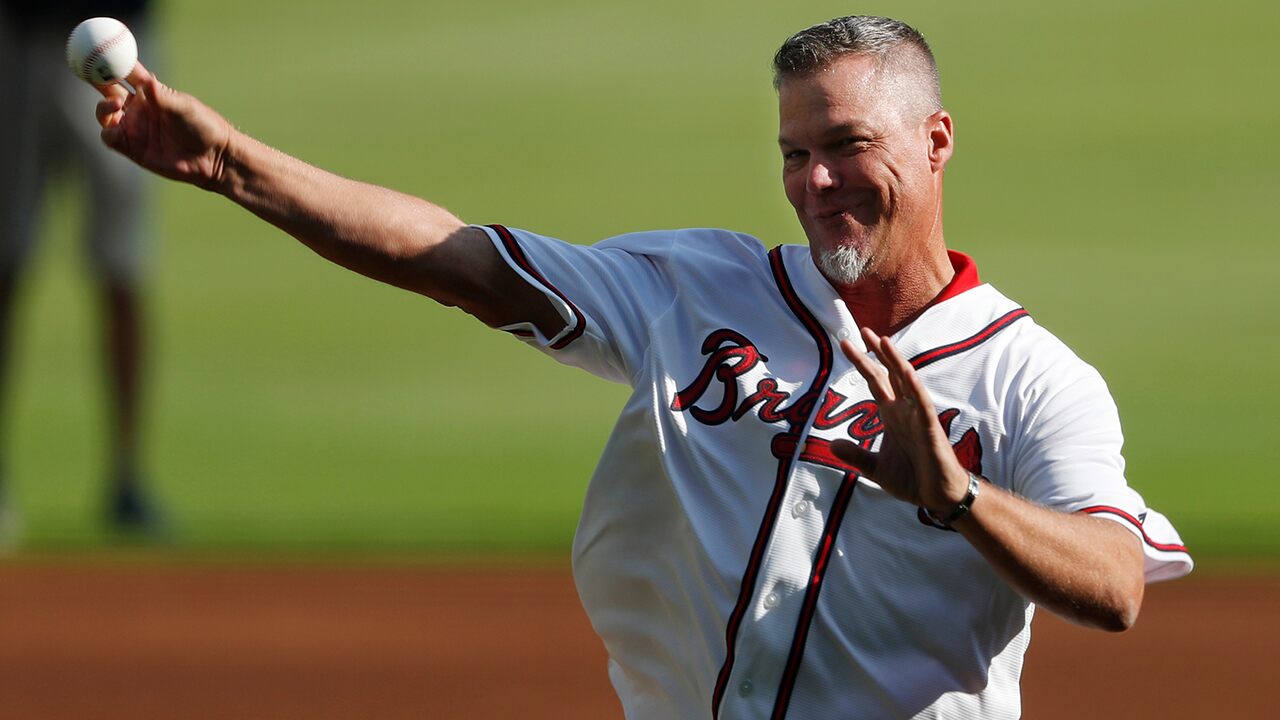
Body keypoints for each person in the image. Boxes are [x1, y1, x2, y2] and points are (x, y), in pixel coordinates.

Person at [91, 15, 1192, 719]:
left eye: (847, 145)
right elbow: (456, 258)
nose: (814, 181)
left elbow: (1111, 585)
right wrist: (230, 165)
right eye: (794, 153)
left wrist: (956, 501)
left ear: (934, 140)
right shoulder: (697, 286)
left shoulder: (1030, 380)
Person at [0, 0, 160, 538]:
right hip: (22, 44)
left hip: (124, 42)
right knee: (6, 264)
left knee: (122, 266)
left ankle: (127, 481)